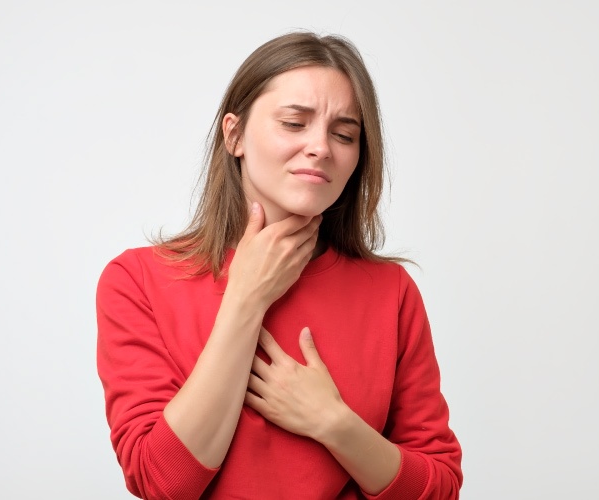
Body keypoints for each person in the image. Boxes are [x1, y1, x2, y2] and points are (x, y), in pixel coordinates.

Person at [96, 31, 462, 499]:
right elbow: (163, 483)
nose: (321, 147)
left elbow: (440, 488)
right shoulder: (137, 280)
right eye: (294, 123)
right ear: (235, 135)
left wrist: (334, 423)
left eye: (344, 134)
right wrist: (247, 297)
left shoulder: (390, 290)